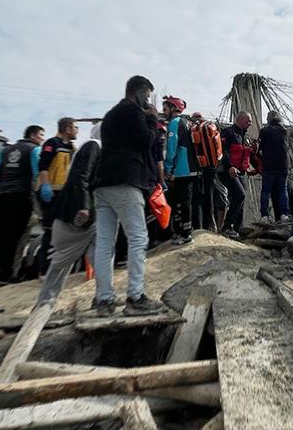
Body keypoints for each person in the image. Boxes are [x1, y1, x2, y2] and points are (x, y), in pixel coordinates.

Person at [92, 75, 168, 315]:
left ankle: (104, 300)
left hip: (102, 183)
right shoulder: (131, 110)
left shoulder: (111, 115)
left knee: (105, 243)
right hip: (126, 181)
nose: (148, 101)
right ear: (138, 93)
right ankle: (135, 297)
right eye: (146, 95)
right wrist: (153, 121)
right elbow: (146, 141)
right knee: (138, 238)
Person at [36, 124, 102, 305]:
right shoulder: (94, 145)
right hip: (76, 212)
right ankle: (46, 301)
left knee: (100, 254)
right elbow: (81, 176)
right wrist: (84, 206)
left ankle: (104, 297)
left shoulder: (95, 148)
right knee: (63, 260)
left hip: (89, 212)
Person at [0, 124, 44, 283]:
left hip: (3, 197)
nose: (42, 138)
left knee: (2, 236)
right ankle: (7, 275)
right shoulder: (34, 150)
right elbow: (37, 174)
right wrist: (39, 197)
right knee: (16, 237)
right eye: (41, 134)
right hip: (22, 197)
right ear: (32, 135)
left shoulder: (5, 150)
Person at [36, 118, 79, 275]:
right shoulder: (52, 143)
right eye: (75, 127)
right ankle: (44, 270)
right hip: (51, 192)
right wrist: (45, 185)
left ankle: (59, 267)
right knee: (50, 230)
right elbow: (43, 166)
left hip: (64, 193)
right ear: (67, 129)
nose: (77, 130)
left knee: (63, 230)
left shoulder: (70, 147)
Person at [162, 96, 198, 245]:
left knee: (182, 202)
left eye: (165, 109)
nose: (163, 112)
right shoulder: (185, 122)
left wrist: (168, 168)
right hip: (189, 168)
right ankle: (181, 232)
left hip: (182, 170)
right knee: (181, 202)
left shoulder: (174, 123)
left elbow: (171, 148)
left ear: (173, 108)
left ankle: (185, 234)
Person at [187, 112, 224, 232]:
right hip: (212, 166)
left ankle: (198, 226)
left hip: (200, 168)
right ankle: (210, 224)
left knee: (198, 198)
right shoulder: (210, 127)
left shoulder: (194, 129)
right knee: (210, 195)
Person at [219, 112, 253, 237]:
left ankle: (236, 230)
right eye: (249, 121)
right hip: (227, 170)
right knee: (240, 195)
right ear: (241, 119)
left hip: (240, 172)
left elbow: (247, 154)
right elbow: (223, 151)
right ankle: (227, 227)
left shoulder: (245, 136)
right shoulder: (228, 132)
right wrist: (230, 167)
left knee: (241, 200)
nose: (251, 124)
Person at [257, 111, 290, 224]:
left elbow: (258, 148)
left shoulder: (264, 131)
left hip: (269, 165)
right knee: (282, 190)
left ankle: (264, 216)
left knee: (266, 191)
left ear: (268, 119)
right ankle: (284, 214)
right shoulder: (285, 131)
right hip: (283, 165)